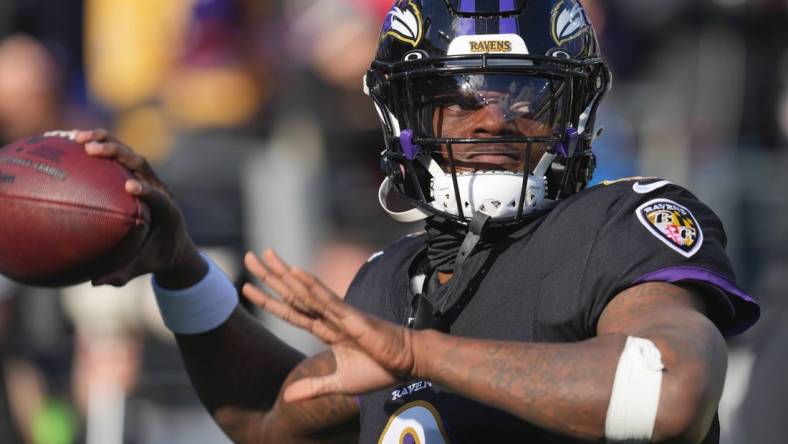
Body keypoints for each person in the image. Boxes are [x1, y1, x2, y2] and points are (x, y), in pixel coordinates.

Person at [72, 0, 759, 442]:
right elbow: (268, 419)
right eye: (458, 99)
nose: (494, 116)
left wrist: (420, 355)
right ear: (407, 119)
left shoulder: (620, 224)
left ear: (570, 117)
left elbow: (669, 394)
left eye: (526, 96)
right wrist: (180, 265)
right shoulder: (392, 281)